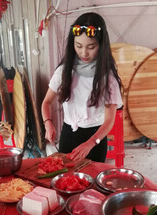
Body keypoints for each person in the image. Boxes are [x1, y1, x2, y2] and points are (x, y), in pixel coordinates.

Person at [41, 12, 123, 163]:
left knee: (92, 183)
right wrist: (48, 123)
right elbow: (46, 102)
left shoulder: (108, 77)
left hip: (95, 139)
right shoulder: (64, 71)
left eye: (91, 47)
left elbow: (109, 120)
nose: (83, 53)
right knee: (66, 182)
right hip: (68, 135)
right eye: (78, 46)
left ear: (101, 45)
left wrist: (90, 143)